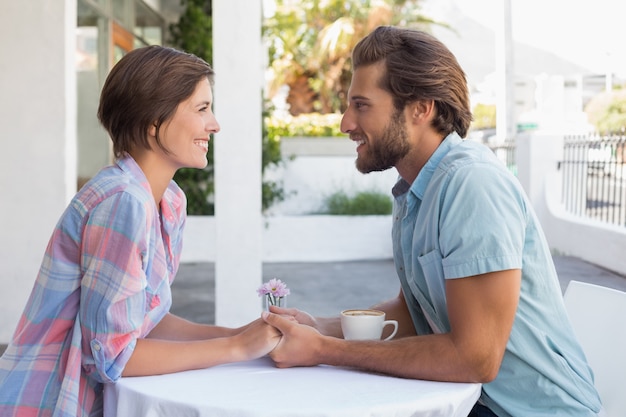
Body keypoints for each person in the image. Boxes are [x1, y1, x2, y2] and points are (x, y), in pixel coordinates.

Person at [262, 26, 602, 416]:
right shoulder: (414, 192)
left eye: (362, 105)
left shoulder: (471, 185)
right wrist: (319, 326)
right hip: (474, 403)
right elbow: (413, 313)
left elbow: (475, 359)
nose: (345, 123)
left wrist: (327, 351)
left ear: (421, 109)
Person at [0, 45, 281, 417]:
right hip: (48, 405)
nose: (214, 124)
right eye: (202, 109)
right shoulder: (122, 202)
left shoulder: (167, 201)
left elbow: (145, 324)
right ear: (153, 122)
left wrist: (236, 334)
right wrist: (236, 349)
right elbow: (112, 356)